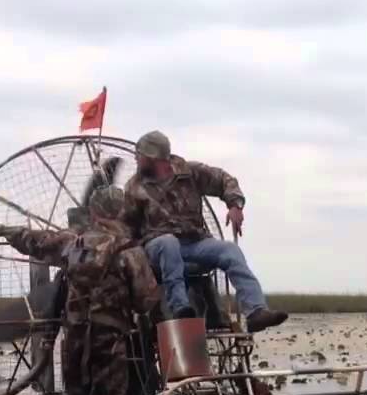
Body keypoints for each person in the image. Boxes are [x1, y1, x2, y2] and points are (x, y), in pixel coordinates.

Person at [0, 185, 160, 395]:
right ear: (122, 211)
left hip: (75, 340)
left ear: (93, 213)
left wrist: (3, 231)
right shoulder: (130, 250)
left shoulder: (71, 243)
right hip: (111, 341)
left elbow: (35, 241)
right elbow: (147, 299)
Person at [123, 130, 288, 333]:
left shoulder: (190, 173)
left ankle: (255, 311)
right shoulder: (134, 187)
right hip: (156, 247)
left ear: (152, 156)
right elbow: (127, 227)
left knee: (229, 250)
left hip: (195, 243)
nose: (136, 159)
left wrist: (235, 205)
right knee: (168, 243)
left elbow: (224, 180)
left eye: (139, 155)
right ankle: (180, 308)